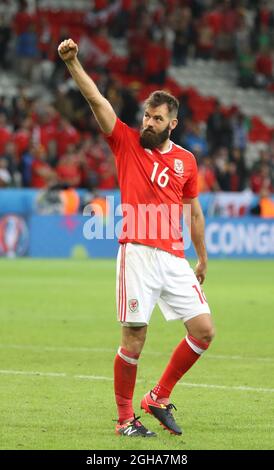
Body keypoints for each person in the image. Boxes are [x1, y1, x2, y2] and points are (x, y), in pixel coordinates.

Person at [58, 38, 215, 438]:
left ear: (172, 124)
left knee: (203, 331)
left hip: (174, 258)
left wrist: (202, 257)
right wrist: (74, 63)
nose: (148, 123)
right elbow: (97, 102)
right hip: (137, 255)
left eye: (157, 119)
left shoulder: (186, 161)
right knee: (134, 337)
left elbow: (193, 211)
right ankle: (125, 419)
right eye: (147, 116)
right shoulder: (126, 142)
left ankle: (158, 397)